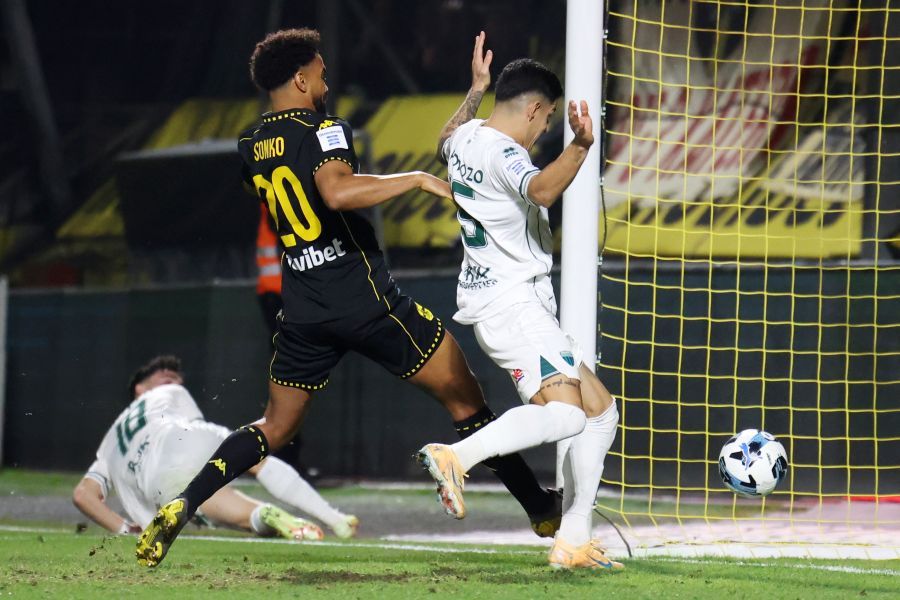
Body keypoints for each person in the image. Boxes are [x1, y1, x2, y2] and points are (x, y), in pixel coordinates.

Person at [136, 28, 560, 568]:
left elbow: (269, 190)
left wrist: (476, 89)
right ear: (301, 79)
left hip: (303, 310)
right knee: (465, 398)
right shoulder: (326, 128)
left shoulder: (250, 144)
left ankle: (185, 500)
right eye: (321, 74)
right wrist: (415, 179)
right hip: (366, 301)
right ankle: (540, 507)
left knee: (274, 426)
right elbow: (336, 192)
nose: (326, 83)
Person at [416, 32, 624, 571]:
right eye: (548, 117)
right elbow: (542, 191)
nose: (546, 127)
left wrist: (475, 89)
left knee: (601, 412)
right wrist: (581, 145)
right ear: (533, 109)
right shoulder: (505, 152)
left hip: (498, 302)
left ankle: (573, 538)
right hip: (515, 306)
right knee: (569, 417)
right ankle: (456, 457)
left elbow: (443, 141)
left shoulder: (467, 137)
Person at [74, 355, 358, 542]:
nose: (175, 381)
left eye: (176, 379)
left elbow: (83, 495)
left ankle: (263, 514)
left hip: (159, 477)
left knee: (205, 500)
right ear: (139, 388)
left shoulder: (110, 443)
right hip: (182, 439)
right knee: (252, 455)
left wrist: (125, 528)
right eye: (166, 377)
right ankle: (335, 518)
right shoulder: (170, 393)